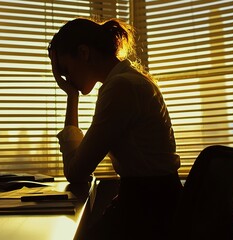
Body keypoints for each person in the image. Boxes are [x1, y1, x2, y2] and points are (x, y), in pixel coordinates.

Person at [48, 18, 183, 239]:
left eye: (65, 69)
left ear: (83, 52)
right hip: (156, 204)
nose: (66, 78)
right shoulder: (131, 80)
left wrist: (72, 97)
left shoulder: (121, 87)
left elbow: (76, 172)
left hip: (149, 214)